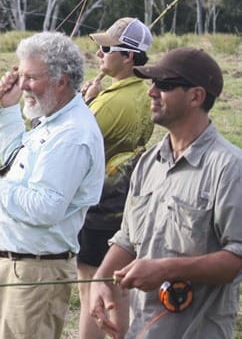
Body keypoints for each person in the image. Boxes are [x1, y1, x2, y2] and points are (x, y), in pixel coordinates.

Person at [90, 47, 242, 339]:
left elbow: (235, 258)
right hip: (141, 328)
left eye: (165, 86)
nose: (151, 93)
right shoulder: (148, 163)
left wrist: (164, 270)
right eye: (152, 84)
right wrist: (101, 279)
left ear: (196, 96)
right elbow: (127, 238)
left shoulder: (229, 168)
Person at [0, 32, 104, 339]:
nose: (22, 84)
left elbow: (46, 208)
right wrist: (10, 107)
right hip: (16, 268)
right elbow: (16, 161)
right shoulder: (52, 120)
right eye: (20, 74)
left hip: (36, 275)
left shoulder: (72, 135)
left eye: (31, 77)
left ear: (61, 81)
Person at [76, 17, 154, 339]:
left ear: (129, 57)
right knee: (118, 285)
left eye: (106, 49)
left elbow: (73, 140)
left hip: (97, 208)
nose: (99, 55)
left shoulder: (109, 103)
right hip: (126, 206)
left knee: (90, 287)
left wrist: (86, 102)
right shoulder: (146, 94)